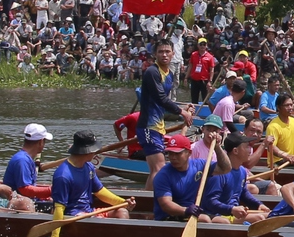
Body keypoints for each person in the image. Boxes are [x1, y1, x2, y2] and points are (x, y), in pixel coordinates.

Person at [136, 37, 194, 181]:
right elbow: (161, 98)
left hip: (158, 126)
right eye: (161, 52)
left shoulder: (169, 74)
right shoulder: (152, 72)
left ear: (173, 54)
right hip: (148, 127)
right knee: (159, 168)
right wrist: (182, 112)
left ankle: (149, 199)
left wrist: (182, 108)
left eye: (167, 51)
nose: (164, 55)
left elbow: (163, 104)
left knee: (155, 170)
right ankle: (155, 200)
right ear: (155, 54)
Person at [51, 130, 129, 221]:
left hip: (89, 211)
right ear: (87, 151)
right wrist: (55, 235)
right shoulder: (63, 176)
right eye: (94, 150)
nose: (96, 152)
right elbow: (59, 208)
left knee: (122, 212)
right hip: (73, 216)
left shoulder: (88, 166)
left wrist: (123, 202)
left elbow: (99, 191)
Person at [3, 123, 53, 202]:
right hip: (18, 204)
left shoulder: (26, 158)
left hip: (26, 200)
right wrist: (51, 190)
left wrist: (43, 196)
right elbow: (25, 190)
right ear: (40, 142)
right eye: (45, 141)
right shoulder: (22, 160)